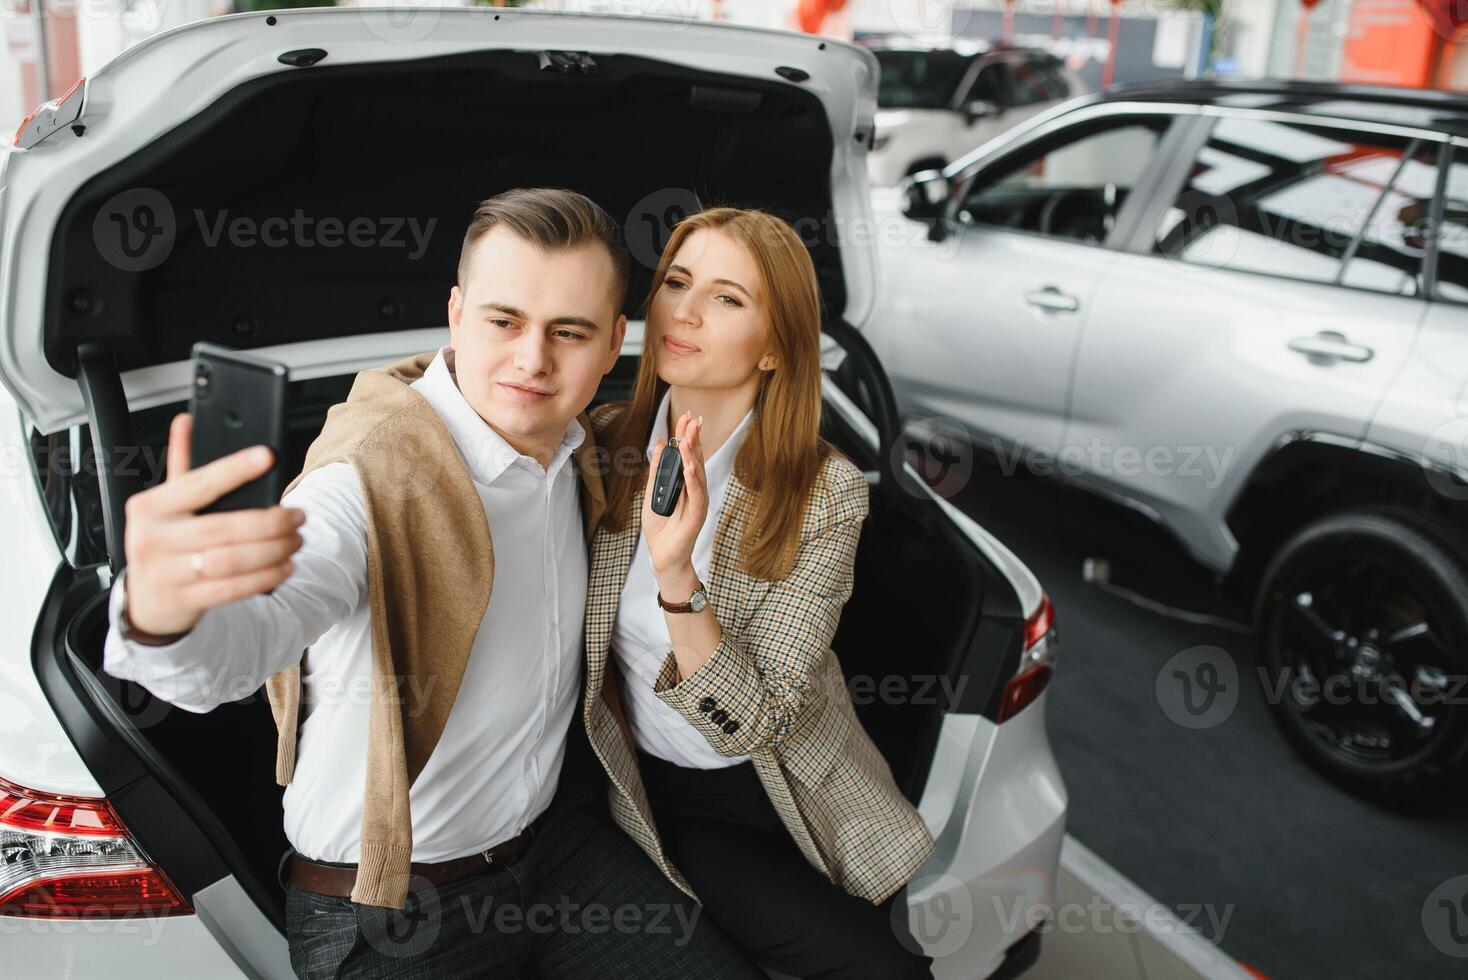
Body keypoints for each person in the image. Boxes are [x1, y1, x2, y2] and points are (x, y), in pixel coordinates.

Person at [103, 188, 763, 980]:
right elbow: (238, 651)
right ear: (455, 313)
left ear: (614, 340)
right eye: (503, 320)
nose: (532, 359)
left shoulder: (583, 448)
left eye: (570, 332)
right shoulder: (365, 475)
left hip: (556, 854)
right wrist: (165, 612)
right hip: (392, 912)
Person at [581, 206, 937, 978]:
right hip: (666, 794)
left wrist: (678, 578)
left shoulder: (825, 491)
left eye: (727, 298)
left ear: (775, 347)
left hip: (798, 784)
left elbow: (756, 721)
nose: (685, 310)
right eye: (677, 282)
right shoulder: (600, 446)